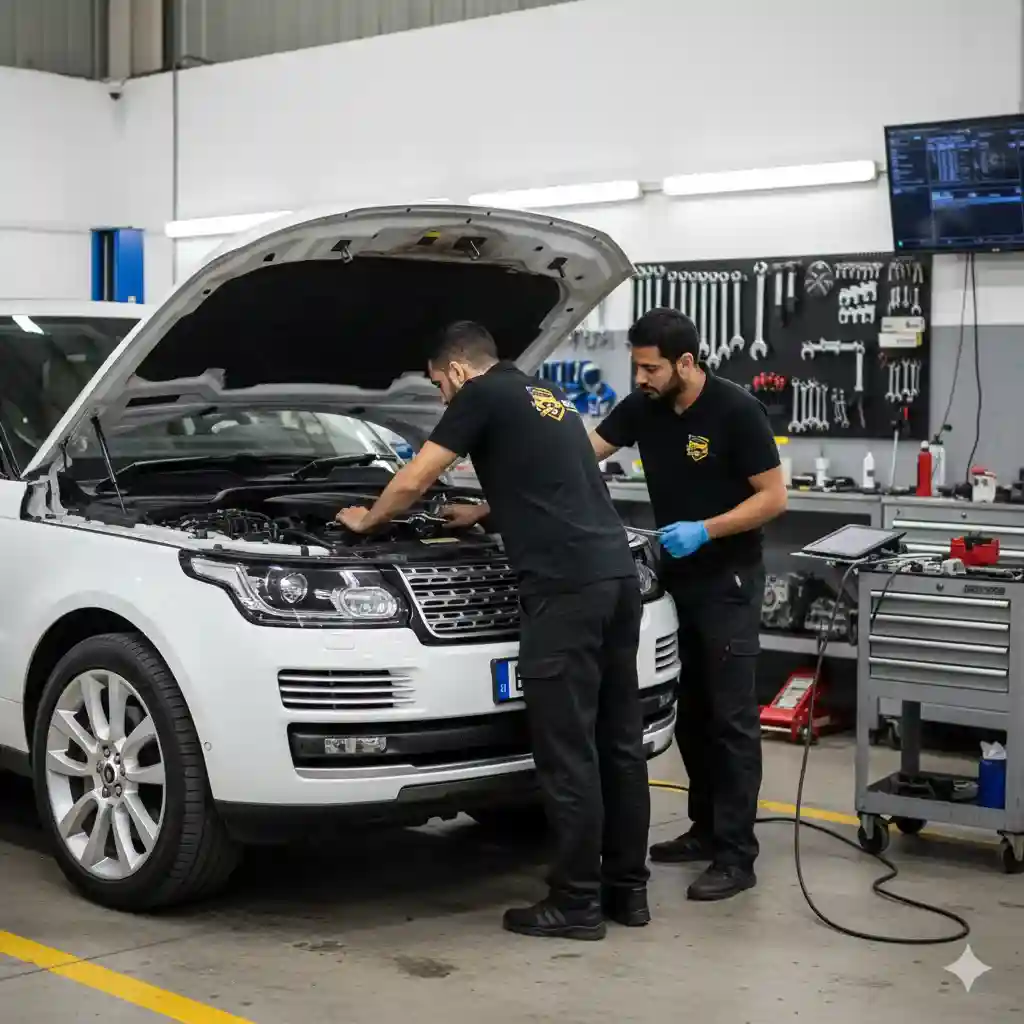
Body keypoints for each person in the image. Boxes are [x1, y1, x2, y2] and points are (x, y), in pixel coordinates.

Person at [336, 320, 651, 940]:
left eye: (437, 386)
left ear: (455, 370)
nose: (441, 398)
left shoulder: (477, 395)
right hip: (615, 579)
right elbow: (552, 481)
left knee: (567, 756)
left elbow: (414, 479)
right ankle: (627, 893)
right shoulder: (542, 396)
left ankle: (576, 904)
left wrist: (366, 522)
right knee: (619, 745)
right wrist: (482, 511)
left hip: (563, 593)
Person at [589, 307, 787, 902]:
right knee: (693, 712)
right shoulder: (644, 407)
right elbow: (583, 453)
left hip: (727, 577)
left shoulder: (735, 409)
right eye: (637, 368)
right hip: (675, 578)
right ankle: (704, 831)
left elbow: (774, 498)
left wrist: (707, 528)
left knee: (729, 717)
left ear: (685, 362)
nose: (641, 379)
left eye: (651, 368)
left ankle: (736, 855)